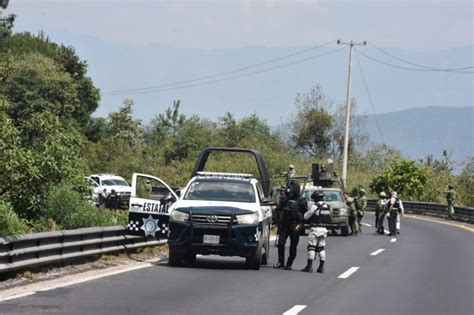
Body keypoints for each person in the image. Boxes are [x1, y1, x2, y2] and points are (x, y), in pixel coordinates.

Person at [273, 179, 307, 270]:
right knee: (281, 244)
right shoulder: (286, 199)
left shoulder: (301, 201)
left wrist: (301, 225)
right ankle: (281, 262)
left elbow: (306, 215)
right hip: (284, 225)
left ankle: (289, 263)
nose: (289, 190)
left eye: (291, 188)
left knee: (293, 246)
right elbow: (278, 209)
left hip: (295, 226)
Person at [301, 190, 329, 273]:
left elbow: (306, 216)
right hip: (324, 229)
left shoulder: (315, 206)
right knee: (321, 248)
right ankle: (321, 267)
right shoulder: (327, 206)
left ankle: (309, 267)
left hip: (315, 229)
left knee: (311, 247)